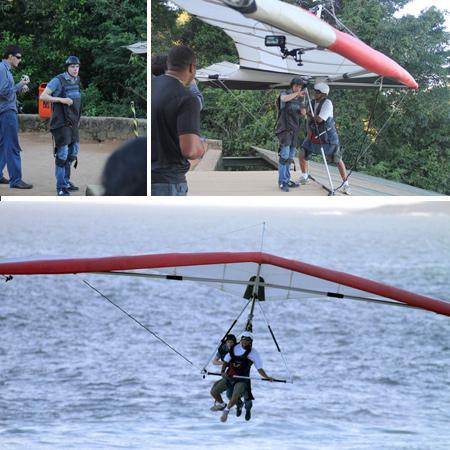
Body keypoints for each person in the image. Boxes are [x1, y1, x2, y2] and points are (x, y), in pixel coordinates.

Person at [151, 45, 206, 196]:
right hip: (168, 183)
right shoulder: (187, 99)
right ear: (191, 67)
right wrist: (202, 147)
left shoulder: (151, 86)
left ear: (168, 64)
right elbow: (190, 150)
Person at [40, 56, 82, 196]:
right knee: (62, 155)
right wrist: (61, 99)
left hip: (73, 123)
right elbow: (43, 96)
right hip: (60, 123)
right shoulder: (57, 80)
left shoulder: (77, 80)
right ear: (67, 68)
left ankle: (66, 180)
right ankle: (61, 186)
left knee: (73, 152)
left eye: (77, 66)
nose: (75, 69)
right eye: (72, 66)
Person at [299, 82, 351, 194]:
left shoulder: (328, 103)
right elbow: (303, 107)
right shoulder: (312, 102)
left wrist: (307, 112)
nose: (315, 93)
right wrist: (302, 106)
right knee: (302, 153)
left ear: (323, 94)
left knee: (337, 160)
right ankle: (304, 176)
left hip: (328, 137)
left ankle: (345, 184)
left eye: (318, 92)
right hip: (314, 135)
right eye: (315, 91)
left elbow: (319, 119)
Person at [211, 331, 273, 423]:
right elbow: (226, 361)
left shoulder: (254, 353)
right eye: (243, 340)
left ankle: (238, 411)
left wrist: (267, 377)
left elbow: (259, 369)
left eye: (247, 340)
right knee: (216, 392)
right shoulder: (234, 348)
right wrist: (222, 371)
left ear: (251, 342)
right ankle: (232, 405)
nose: (245, 342)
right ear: (240, 340)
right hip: (231, 376)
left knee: (245, 399)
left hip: (243, 379)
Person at [0, 44, 33, 189]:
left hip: (5, 111)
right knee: (12, 146)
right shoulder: (2, 69)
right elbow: (3, 92)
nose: (20, 60)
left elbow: (6, 92)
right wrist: (20, 84)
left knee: (3, 146)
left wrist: (19, 88)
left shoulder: (4, 69)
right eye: (18, 57)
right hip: (7, 112)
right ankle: (16, 180)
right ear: (10, 56)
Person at [275, 77, 307, 192]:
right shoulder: (285, 93)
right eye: (296, 86)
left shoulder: (299, 99)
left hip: (294, 131)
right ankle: (282, 182)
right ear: (292, 85)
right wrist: (298, 94)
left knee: (290, 157)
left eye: (300, 87)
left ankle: (287, 180)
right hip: (284, 129)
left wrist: (303, 105)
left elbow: (303, 113)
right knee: (284, 156)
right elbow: (284, 99)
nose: (298, 88)